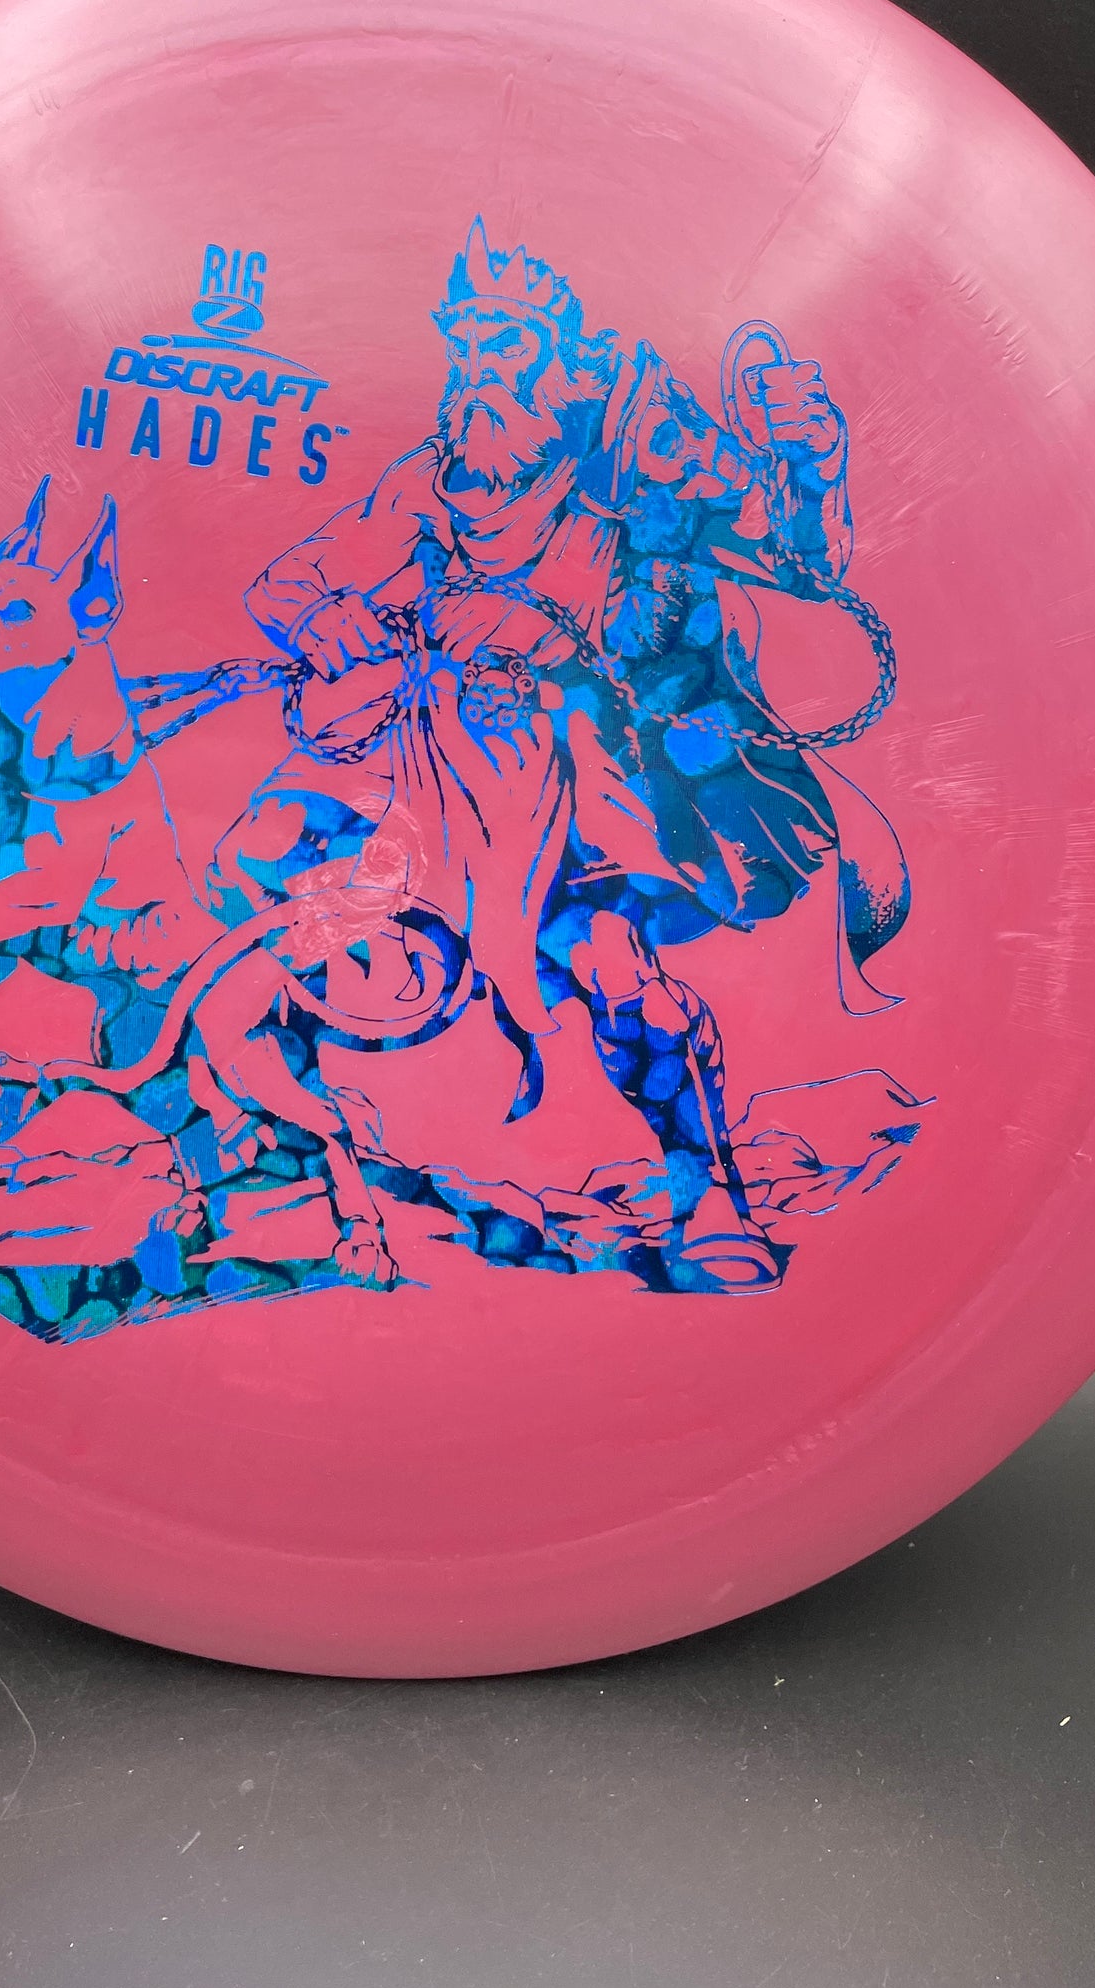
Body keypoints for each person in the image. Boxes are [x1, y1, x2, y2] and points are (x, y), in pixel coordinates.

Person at [209, 220, 908, 1277]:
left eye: (506, 346)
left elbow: (795, 562)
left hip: (587, 771)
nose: (479, 372)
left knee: (609, 962)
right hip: (433, 763)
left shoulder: (648, 452)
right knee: (272, 865)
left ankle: (711, 1206)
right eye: (465, 346)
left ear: (563, 357)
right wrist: (324, 620)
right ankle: (277, 1146)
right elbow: (288, 582)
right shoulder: (436, 477)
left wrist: (811, 462)